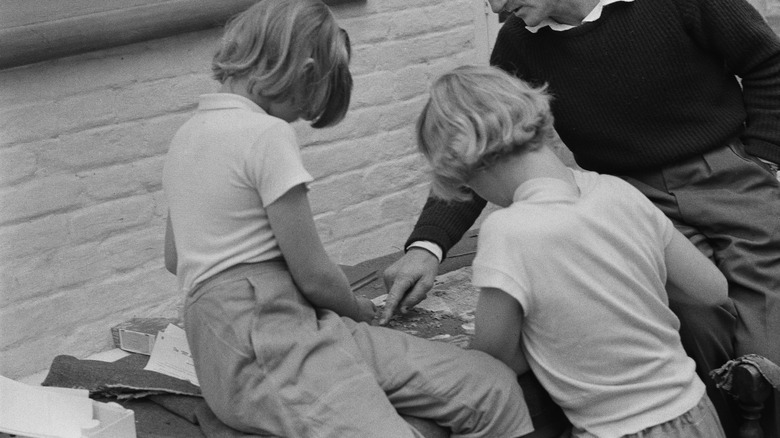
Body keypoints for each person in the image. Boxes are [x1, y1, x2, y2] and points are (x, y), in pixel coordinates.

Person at [381, 0, 780, 434]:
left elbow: (769, 62)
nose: (496, 6)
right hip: (630, 191)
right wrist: (427, 246)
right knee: (696, 321)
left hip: (728, 170)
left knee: (767, 325)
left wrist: (763, 156)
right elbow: (483, 145)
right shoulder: (519, 42)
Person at [161, 1, 534, 437]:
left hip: (263, 334)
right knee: (490, 390)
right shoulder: (265, 134)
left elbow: (175, 258)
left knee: (486, 383)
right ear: (305, 71)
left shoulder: (185, 137)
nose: (301, 118)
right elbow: (315, 275)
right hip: (264, 340)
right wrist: (359, 308)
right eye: (309, 103)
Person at [415, 63, 727, 437]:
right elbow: (712, 289)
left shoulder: (507, 231)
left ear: (471, 164)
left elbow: (495, 358)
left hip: (616, 430)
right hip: (696, 413)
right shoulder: (617, 190)